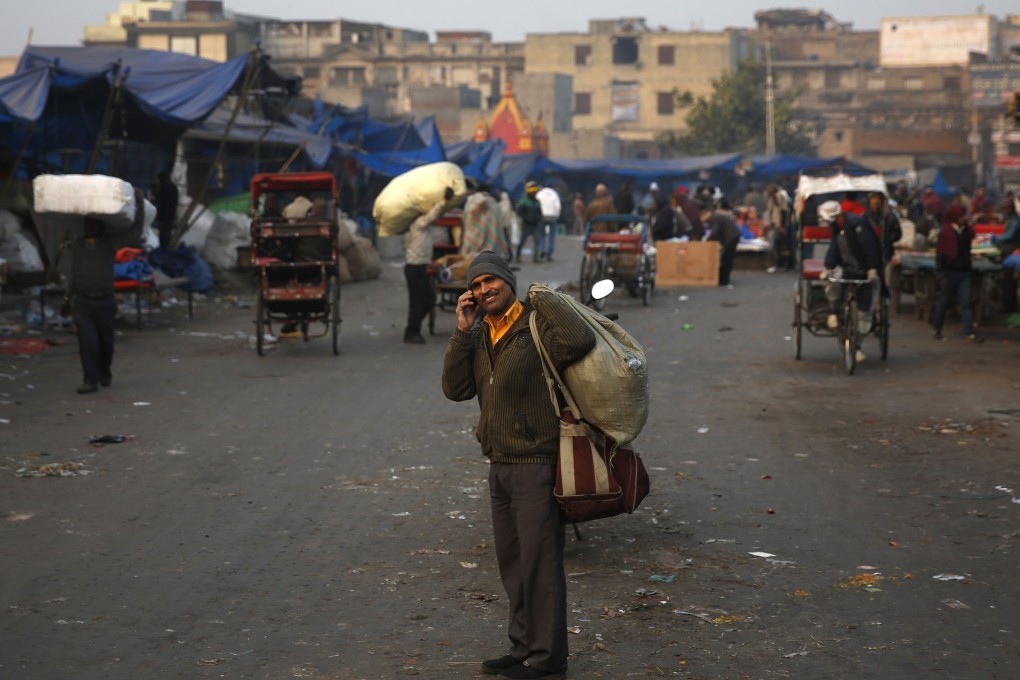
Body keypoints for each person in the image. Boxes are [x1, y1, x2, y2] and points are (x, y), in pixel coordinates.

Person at [442, 251, 596, 680]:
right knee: (512, 561)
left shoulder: (535, 325)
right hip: (500, 462)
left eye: (491, 281)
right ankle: (522, 645)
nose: (483, 289)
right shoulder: (479, 335)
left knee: (540, 562)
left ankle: (548, 659)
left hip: (536, 460)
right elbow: (455, 389)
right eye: (476, 285)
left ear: (508, 281)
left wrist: (542, 298)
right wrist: (461, 333)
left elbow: (579, 340)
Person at [65, 212, 143, 394]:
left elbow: (135, 233)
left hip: (105, 301)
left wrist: (138, 205)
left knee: (105, 343)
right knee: (87, 342)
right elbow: (73, 274)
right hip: (83, 302)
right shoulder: (77, 247)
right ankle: (90, 380)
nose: (90, 228)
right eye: (87, 224)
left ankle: (104, 369)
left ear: (101, 227)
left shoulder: (109, 244)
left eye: (93, 225)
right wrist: (67, 298)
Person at [818, 200, 883, 361]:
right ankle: (834, 312)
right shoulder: (836, 229)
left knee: (863, 313)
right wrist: (828, 267)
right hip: (847, 269)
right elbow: (834, 249)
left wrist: (872, 268)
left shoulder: (858, 225)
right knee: (832, 282)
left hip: (866, 270)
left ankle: (857, 344)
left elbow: (871, 248)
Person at [403, 188, 452, 344]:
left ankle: (412, 331)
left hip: (415, 267)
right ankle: (412, 331)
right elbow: (433, 215)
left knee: (417, 301)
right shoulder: (418, 224)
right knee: (427, 299)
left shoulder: (413, 226)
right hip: (416, 267)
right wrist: (444, 200)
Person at [933, 203, 982, 343]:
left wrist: (968, 225)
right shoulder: (946, 231)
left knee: (966, 303)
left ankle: (969, 332)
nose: (964, 218)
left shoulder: (965, 230)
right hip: (950, 272)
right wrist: (941, 272)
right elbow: (941, 253)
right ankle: (937, 328)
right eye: (962, 216)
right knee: (944, 302)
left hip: (964, 272)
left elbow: (972, 236)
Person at [461, 182, 509, 261]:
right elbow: (500, 226)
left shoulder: (472, 200)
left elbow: (465, 218)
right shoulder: (495, 205)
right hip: (491, 248)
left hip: (472, 241)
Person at [705, 199, 741, 286]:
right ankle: (724, 278)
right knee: (727, 258)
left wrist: (707, 242)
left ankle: (724, 279)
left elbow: (715, 233)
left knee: (727, 258)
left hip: (731, 237)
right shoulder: (717, 216)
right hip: (733, 235)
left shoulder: (715, 218)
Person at [765, 184, 793, 271]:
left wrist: (782, 226)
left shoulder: (780, 196)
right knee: (780, 245)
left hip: (780, 225)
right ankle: (782, 264)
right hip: (776, 224)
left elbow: (784, 211)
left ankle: (782, 264)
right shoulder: (774, 197)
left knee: (781, 245)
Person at [516, 181, 544, 263]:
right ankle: (518, 256)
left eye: (535, 193)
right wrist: (526, 218)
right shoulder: (524, 202)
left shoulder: (537, 202)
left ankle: (536, 258)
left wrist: (539, 219)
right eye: (533, 193)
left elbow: (540, 212)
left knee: (537, 242)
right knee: (522, 241)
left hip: (535, 225)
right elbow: (519, 212)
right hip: (526, 225)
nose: (534, 194)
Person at [153, 168, 179, 248]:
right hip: (170, 217)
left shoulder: (164, 188)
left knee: (164, 237)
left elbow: (160, 202)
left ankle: (164, 251)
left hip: (165, 218)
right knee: (166, 237)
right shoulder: (173, 188)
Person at [535, 185, 562, 262]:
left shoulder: (539, 194)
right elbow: (558, 207)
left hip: (542, 216)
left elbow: (537, 204)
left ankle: (542, 250)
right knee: (552, 236)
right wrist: (557, 216)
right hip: (552, 216)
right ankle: (549, 254)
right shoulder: (554, 194)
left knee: (542, 235)